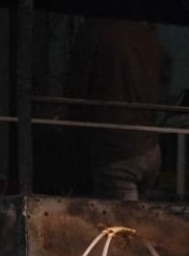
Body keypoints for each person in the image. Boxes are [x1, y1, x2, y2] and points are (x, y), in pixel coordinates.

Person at [64, 18, 164, 200]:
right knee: (135, 219)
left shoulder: (95, 30)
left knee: (120, 224)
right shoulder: (148, 38)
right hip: (149, 145)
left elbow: (76, 89)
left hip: (116, 148)